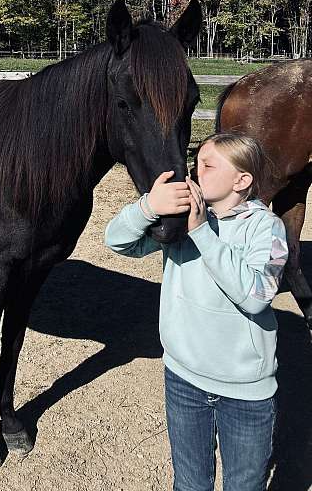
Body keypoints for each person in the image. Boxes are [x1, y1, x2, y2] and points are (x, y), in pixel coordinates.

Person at [104, 133, 289, 491]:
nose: (193, 170)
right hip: (182, 378)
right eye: (196, 162)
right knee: (189, 483)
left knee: (244, 486)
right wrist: (148, 207)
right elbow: (117, 242)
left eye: (207, 165)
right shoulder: (178, 221)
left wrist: (202, 232)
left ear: (241, 180)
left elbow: (256, 296)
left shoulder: (267, 228)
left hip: (246, 392)